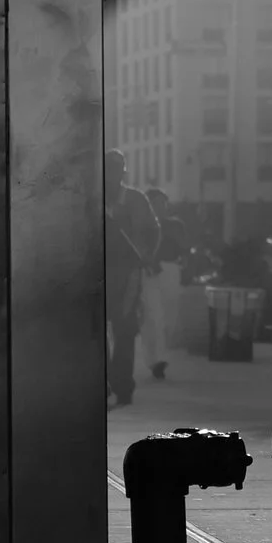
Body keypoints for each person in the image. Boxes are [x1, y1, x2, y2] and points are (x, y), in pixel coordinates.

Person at [103, 151, 157, 410]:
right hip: (97, 275)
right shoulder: (91, 199)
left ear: (122, 173)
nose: (112, 177)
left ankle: (123, 385)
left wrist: (144, 256)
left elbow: (154, 231)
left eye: (116, 171)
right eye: (108, 171)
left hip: (128, 276)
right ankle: (105, 381)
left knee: (125, 331)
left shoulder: (137, 200)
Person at [139, 186, 179, 381]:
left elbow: (183, 247)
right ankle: (156, 360)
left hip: (171, 270)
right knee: (154, 317)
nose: (160, 207)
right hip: (150, 272)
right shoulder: (142, 227)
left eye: (163, 204)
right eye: (155, 204)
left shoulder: (175, 225)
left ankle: (159, 355)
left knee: (170, 317)